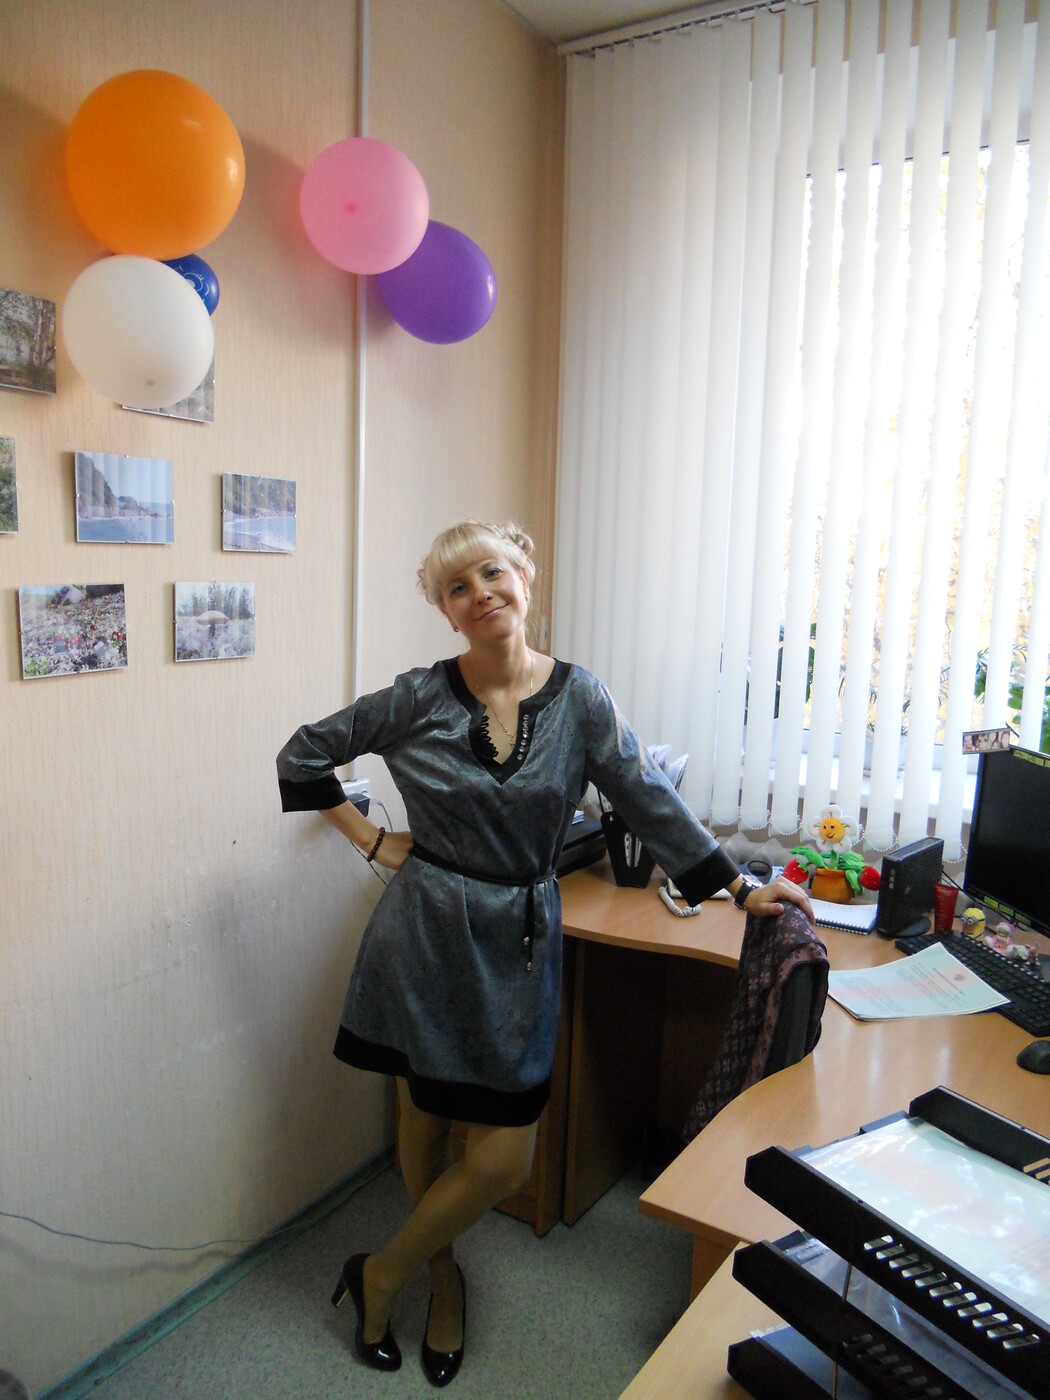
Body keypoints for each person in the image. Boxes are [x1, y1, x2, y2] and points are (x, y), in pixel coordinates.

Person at [276, 518, 812, 1387]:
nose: (480, 593)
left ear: (525, 578)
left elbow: (644, 795)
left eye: (492, 573)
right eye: (457, 587)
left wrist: (739, 886)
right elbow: (304, 757)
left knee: (504, 1156)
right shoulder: (416, 697)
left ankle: (380, 1270)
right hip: (424, 932)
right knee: (426, 1118)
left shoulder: (581, 699)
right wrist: (371, 839)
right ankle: (441, 1277)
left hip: (520, 937)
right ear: (447, 613)